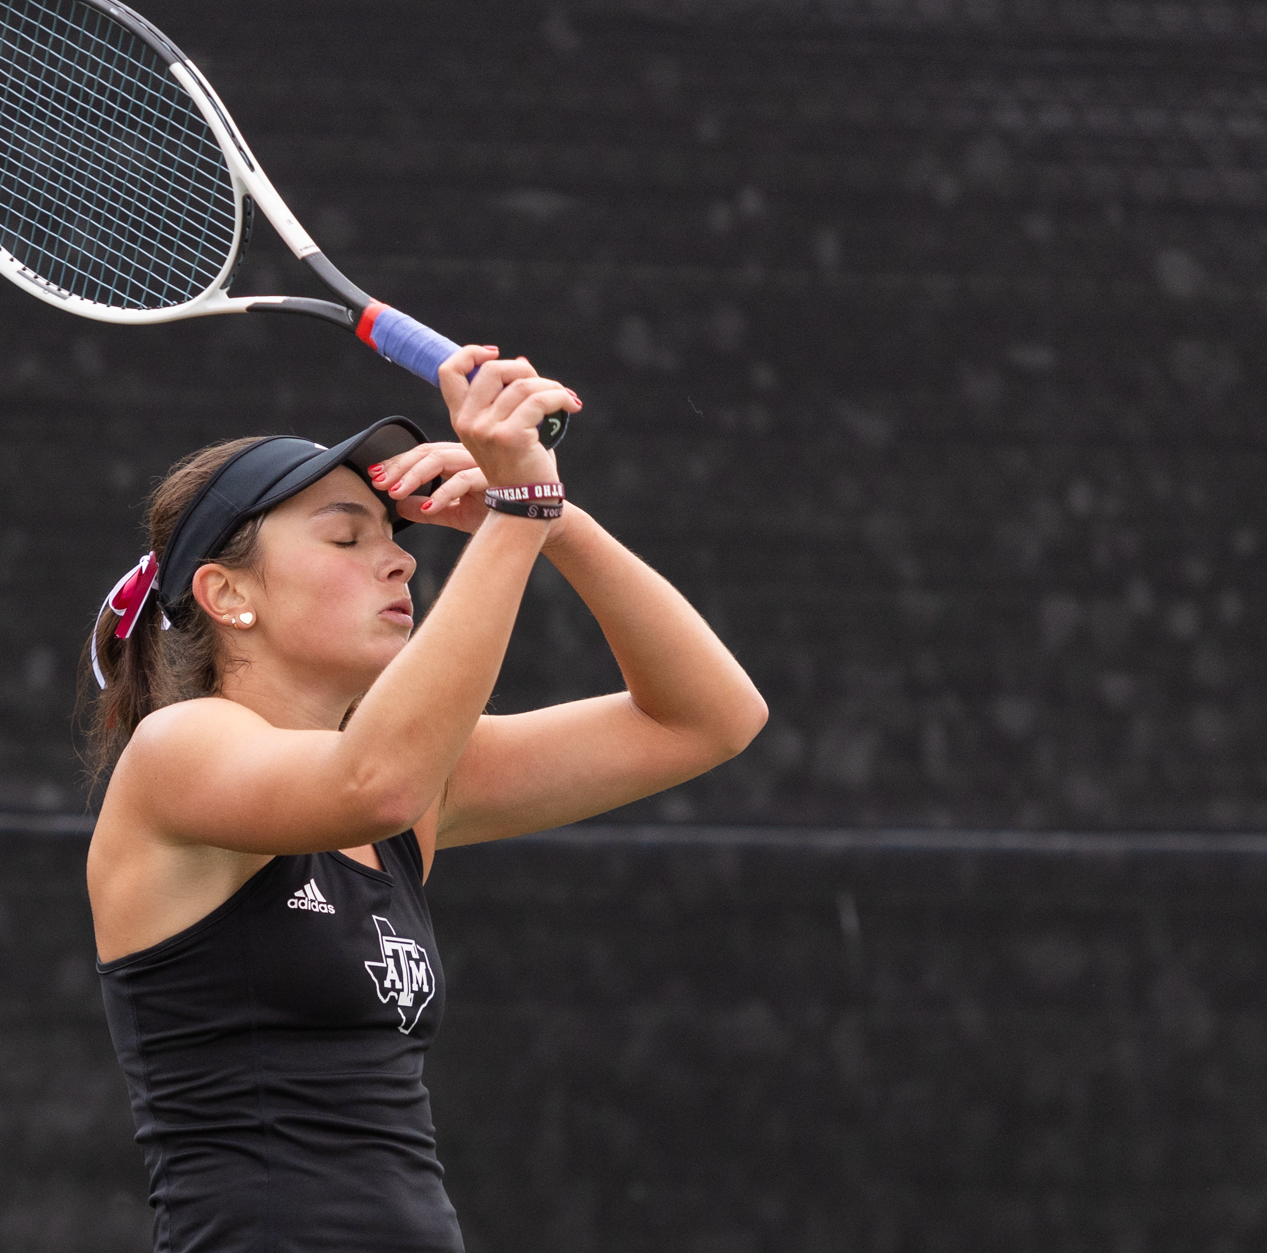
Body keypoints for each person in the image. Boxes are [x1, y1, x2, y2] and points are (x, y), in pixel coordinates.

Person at [82, 348, 767, 1252]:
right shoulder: (179, 753)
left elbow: (709, 718)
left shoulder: (410, 786)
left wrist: (555, 519)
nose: (400, 561)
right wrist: (517, 513)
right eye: (346, 536)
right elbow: (372, 783)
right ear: (228, 594)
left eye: (393, 533)